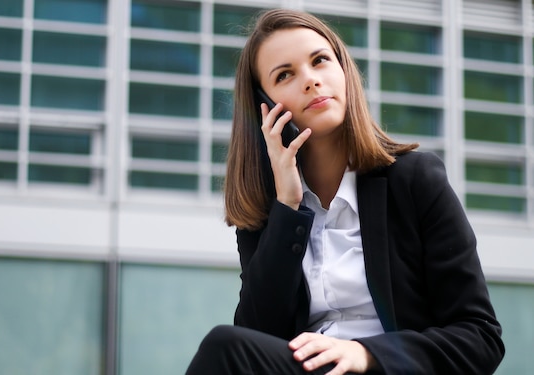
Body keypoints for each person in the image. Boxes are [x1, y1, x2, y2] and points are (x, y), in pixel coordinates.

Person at [186, 8, 504, 375]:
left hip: (387, 369)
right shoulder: (267, 212)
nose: (310, 80)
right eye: (285, 74)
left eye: (320, 61)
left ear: (344, 72)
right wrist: (287, 209)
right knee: (227, 347)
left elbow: (480, 337)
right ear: (265, 107)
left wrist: (364, 354)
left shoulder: (416, 180)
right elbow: (257, 337)